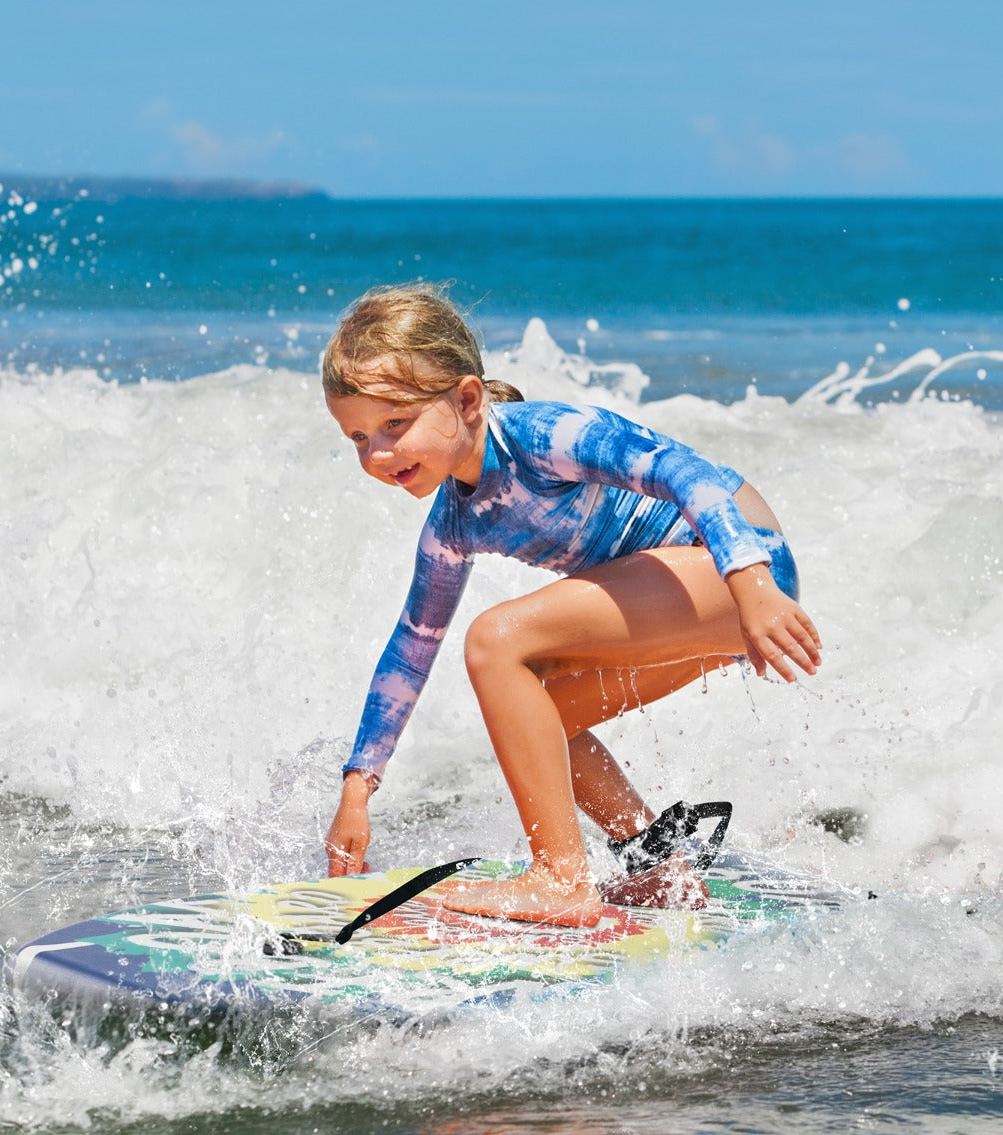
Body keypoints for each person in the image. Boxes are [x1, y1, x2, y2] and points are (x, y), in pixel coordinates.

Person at [321, 284, 821, 928]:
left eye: (396, 424)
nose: (379, 454)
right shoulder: (453, 523)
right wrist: (357, 792)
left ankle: (559, 877)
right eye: (358, 437)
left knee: (495, 640)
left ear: (467, 399)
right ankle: (655, 862)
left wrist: (751, 585)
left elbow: (684, 471)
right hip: (688, 598)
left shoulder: (543, 436)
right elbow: (410, 650)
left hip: (739, 567)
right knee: (538, 710)